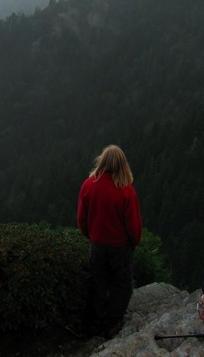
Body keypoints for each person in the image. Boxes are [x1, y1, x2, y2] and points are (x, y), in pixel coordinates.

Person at [77, 144, 142, 338]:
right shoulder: (126, 191)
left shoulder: (88, 185)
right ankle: (112, 324)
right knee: (121, 286)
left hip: (97, 245)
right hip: (120, 247)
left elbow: (82, 219)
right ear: (123, 165)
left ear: (102, 161)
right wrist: (133, 243)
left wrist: (92, 237)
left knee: (99, 283)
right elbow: (133, 226)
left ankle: (94, 324)